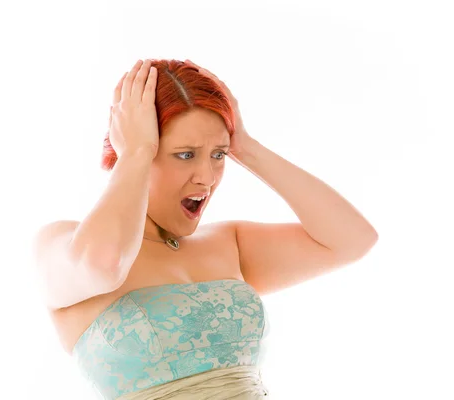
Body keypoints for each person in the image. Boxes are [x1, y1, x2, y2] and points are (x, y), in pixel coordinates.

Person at [32, 58, 378, 399]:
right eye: (185, 155)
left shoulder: (229, 243)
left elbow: (352, 240)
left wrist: (246, 147)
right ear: (131, 147)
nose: (207, 178)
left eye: (218, 155)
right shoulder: (64, 245)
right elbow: (105, 264)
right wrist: (135, 152)